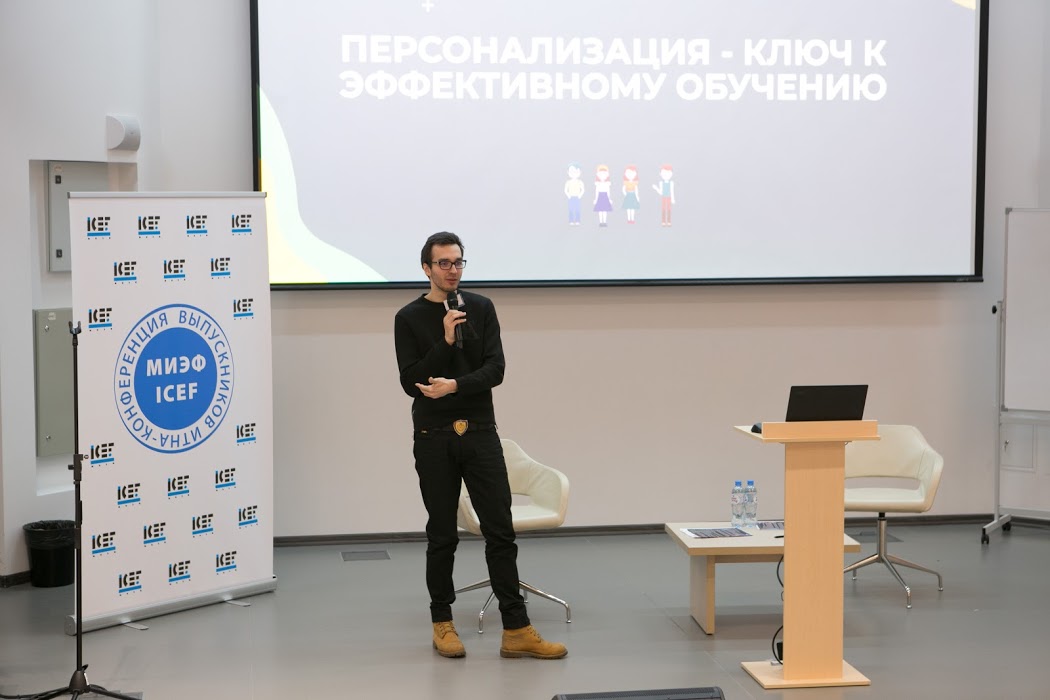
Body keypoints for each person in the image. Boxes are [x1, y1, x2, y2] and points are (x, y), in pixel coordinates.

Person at [393, 231, 568, 660]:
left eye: (458, 262)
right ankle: (443, 623)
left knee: (500, 530)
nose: (452, 270)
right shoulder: (408, 317)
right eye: (444, 263)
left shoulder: (482, 308)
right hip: (433, 437)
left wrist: (454, 385)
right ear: (426, 268)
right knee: (442, 534)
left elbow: (496, 370)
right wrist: (445, 342)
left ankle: (517, 629)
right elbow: (411, 381)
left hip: (481, 432)